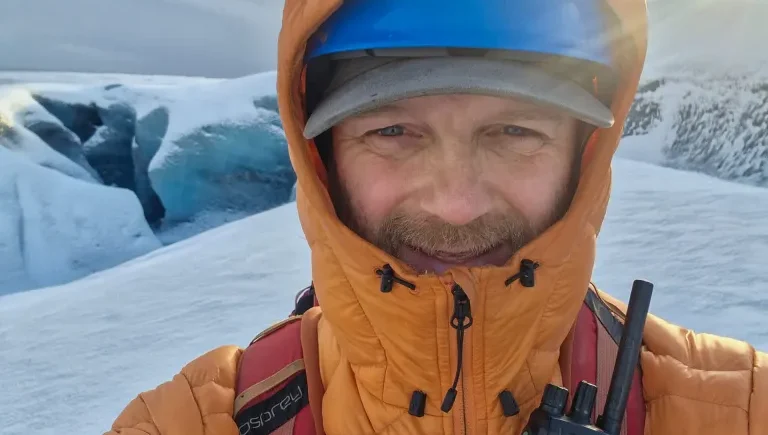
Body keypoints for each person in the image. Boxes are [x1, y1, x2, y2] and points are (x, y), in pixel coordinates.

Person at [105, 0, 768, 434]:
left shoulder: (743, 409)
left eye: (515, 131)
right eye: (392, 131)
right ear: (324, 162)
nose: (456, 203)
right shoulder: (185, 423)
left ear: (583, 157)